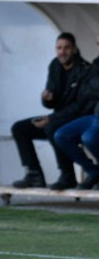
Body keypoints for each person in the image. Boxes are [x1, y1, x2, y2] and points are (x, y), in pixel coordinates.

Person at [10, 32, 91, 190]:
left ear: (74, 49)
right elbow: (53, 101)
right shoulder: (55, 65)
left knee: (53, 128)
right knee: (19, 128)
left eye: (66, 48)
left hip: (77, 119)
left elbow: (80, 107)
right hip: (56, 117)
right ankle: (34, 174)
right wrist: (47, 98)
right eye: (59, 48)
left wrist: (51, 118)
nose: (62, 52)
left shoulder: (84, 70)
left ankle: (68, 177)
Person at [51, 37, 99, 190]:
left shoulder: (87, 67)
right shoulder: (96, 64)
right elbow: (87, 92)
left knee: (89, 137)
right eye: (98, 43)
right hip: (95, 115)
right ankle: (94, 172)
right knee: (60, 135)